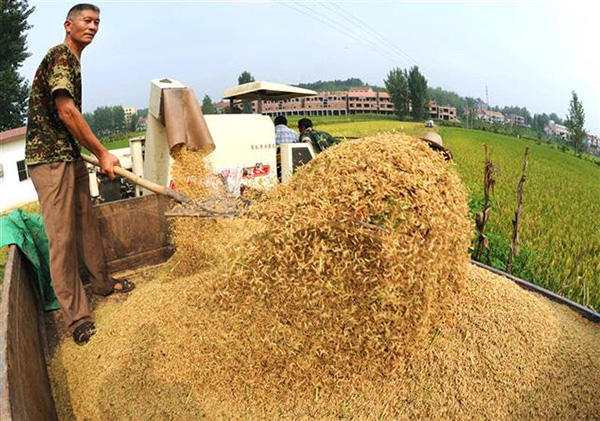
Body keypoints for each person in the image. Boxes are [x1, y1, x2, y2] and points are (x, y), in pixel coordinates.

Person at [25, 3, 134, 346]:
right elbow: (66, 110)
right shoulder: (60, 56)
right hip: (48, 161)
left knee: (86, 223)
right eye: (87, 21)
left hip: (68, 156)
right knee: (63, 238)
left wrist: (86, 153)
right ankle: (77, 318)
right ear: (68, 25)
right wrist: (103, 152)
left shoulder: (74, 62)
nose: (93, 27)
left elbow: (66, 120)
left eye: (97, 22)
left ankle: (101, 282)